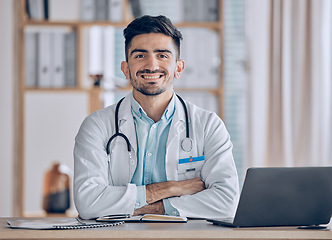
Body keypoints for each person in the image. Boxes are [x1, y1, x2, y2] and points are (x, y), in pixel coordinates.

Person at [74, 15, 239, 220]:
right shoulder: (97, 126)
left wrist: (143, 208)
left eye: (162, 55)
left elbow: (227, 203)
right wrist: (172, 188)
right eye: (140, 56)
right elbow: (88, 202)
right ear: (126, 69)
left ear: (178, 68)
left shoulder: (208, 125)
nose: (152, 66)